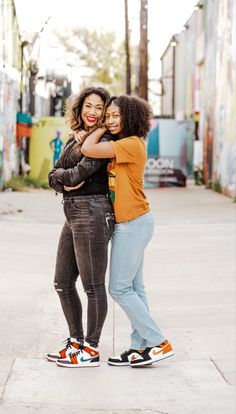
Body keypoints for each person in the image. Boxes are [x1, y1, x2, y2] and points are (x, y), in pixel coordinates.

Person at [81, 95, 174, 367]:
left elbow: (88, 148)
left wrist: (97, 127)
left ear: (130, 117)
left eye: (114, 116)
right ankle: (139, 347)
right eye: (106, 115)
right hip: (133, 221)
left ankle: (158, 342)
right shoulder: (124, 144)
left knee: (119, 288)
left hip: (133, 222)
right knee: (135, 287)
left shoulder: (131, 144)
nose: (109, 120)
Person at [47, 87, 114, 368]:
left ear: (105, 112)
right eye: (89, 106)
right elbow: (55, 175)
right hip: (72, 212)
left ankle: (91, 348)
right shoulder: (76, 139)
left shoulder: (106, 138)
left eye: (99, 108)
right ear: (80, 107)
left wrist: (64, 178)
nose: (93, 112)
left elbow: (80, 174)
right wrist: (64, 180)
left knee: (93, 285)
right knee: (62, 282)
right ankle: (76, 341)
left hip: (93, 211)